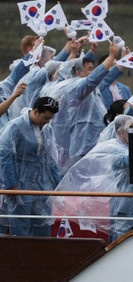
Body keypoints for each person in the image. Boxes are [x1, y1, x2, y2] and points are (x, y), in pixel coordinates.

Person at [46, 43, 124, 172]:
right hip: (83, 142)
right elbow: (92, 80)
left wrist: (122, 62)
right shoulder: (75, 88)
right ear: (78, 72)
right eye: (89, 69)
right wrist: (110, 57)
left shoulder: (82, 88)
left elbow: (105, 79)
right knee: (83, 176)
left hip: (92, 140)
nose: (92, 72)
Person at [0, 97, 61, 237]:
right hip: (20, 186)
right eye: (46, 117)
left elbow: (50, 158)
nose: (48, 121)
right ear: (36, 111)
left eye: (51, 118)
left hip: (42, 186)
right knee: (21, 229)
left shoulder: (46, 128)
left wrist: (58, 185)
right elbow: (4, 156)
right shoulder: (15, 127)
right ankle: (20, 258)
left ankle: (42, 257)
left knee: (43, 226)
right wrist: (11, 186)